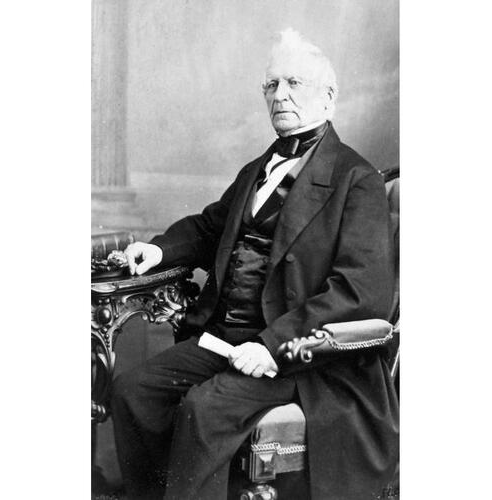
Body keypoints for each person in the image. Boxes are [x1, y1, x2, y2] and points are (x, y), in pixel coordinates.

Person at [111, 28, 399, 500]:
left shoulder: (356, 180)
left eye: (294, 83)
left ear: (328, 98)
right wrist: (160, 250)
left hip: (305, 358)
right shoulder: (257, 170)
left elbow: (360, 293)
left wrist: (273, 346)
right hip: (227, 338)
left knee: (204, 410)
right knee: (133, 390)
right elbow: (210, 227)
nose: (279, 95)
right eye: (271, 84)